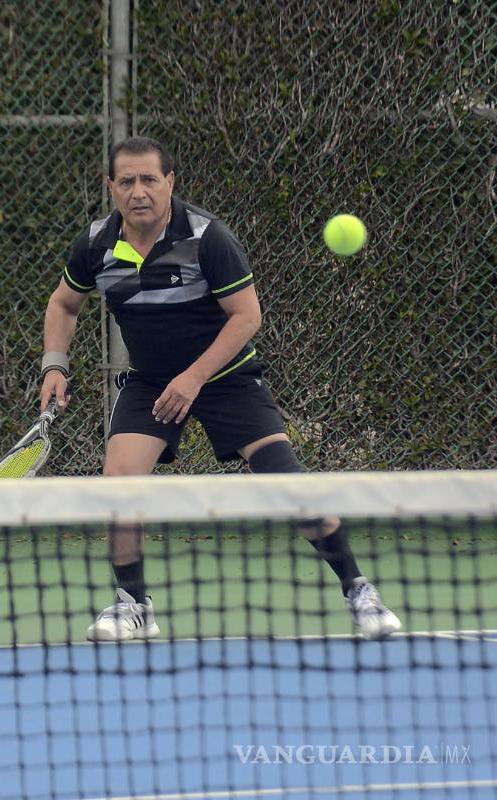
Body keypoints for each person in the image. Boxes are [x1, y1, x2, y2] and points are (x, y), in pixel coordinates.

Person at [38, 136, 401, 644]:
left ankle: (359, 589)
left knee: (285, 480)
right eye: (126, 181)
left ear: (170, 183)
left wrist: (194, 378)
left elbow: (246, 316)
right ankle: (133, 603)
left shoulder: (208, 237)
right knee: (119, 482)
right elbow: (63, 304)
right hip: (151, 381)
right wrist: (55, 365)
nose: (138, 191)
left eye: (149, 179)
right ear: (111, 187)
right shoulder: (97, 244)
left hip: (228, 376)